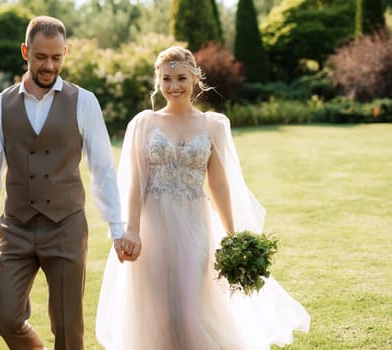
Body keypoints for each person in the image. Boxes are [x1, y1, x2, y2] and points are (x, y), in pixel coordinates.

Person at [96, 46, 310, 349]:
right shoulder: (145, 123)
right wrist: (131, 229)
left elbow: (219, 184)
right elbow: (135, 184)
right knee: (159, 315)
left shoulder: (212, 125)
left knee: (188, 313)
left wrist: (232, 234)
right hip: (153, 227)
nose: (174, 86)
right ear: (157, 82)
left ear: (195, 78)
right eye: (166, 79)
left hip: (195, 227)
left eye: (181, 77)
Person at [0, 16, 139, 350]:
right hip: (15, 228)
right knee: (5, 317)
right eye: (40, 57)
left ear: (65, 52)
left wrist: (118, 229)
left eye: (56, 57)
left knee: (69, 329)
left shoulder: (84, 101)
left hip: (66, 227)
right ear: (25, 52)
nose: (49, 65)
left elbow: (102, 170)